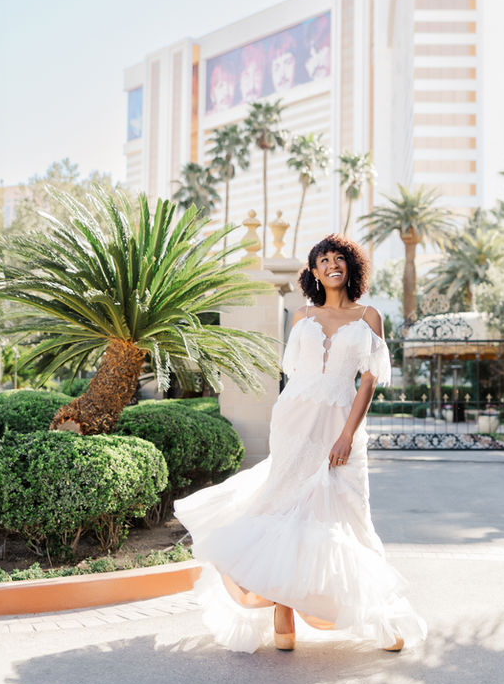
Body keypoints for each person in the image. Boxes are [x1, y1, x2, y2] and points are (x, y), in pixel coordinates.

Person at [174, 234, 427, 653]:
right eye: (323, 259)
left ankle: (378, 614)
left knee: (351, 514)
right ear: (313, 272)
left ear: (351, 266)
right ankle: (282, 611)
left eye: (339, 258)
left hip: (340, 421)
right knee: (282, 506)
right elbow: (296, 379)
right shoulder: (301, 317)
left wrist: (347, 433)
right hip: (294, 422)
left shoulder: (370, 317)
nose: (332, 264)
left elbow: (368, 382)